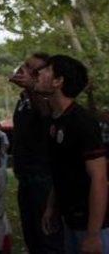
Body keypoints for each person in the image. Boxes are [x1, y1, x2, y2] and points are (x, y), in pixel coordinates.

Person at [37, 55, 108, 253]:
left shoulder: (82, 123)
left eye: (47, 70)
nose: (39, 73)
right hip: (70, 221)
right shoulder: (54, 121)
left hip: (93, 225)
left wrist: (93, 235)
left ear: (58, 81)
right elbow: (61, 169)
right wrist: (52, 206)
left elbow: (99, 178)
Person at [9, 53, 64, 253]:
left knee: (47, 238)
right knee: (32, 237)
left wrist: (31, 87)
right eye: (25, 65)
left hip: (43, 179)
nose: (24, 71)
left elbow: (47, 114)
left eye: (33, 69)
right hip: (25, 179)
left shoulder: (47, 98)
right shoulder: (24, 99)